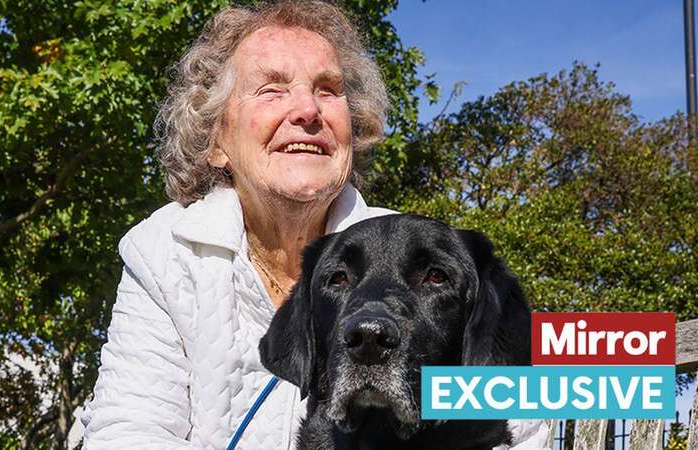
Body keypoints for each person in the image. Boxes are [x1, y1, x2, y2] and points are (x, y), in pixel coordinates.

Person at [80, 1, 550, 449]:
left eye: (328, 90)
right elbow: (127, 436)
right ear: (216, 140)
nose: (308, 110)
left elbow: (516, 430)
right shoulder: (165, 253)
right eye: (272, 89)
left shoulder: (428, 251)